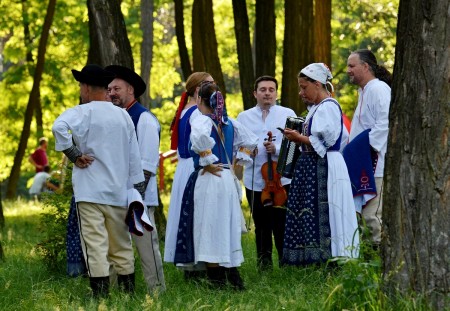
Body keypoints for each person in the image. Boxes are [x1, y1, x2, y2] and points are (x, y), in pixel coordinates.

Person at [52, 64, 145, 297]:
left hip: (89, 191)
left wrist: (74, 155)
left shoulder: (81, 112)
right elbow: (134, 156)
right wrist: (137, 190)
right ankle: (128, 295)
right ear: (104, 88)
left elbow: (58, 127)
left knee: (94, 245)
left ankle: (101, 297)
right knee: (121, 245)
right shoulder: (123, 116)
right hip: (118, 191)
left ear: (85, 87)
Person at [173, 82, 258, 290]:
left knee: (210, 227)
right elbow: (251, 141)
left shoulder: (202, 121)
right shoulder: (230, 123)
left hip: (210, 180)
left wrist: (207, 160)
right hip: (228, 179)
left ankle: (216, 280)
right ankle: (233, 278)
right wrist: (237, 162)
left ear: (200, 100)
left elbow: (200, 139)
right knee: (225, 226)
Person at [281, 63, 359, 266]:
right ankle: (313, 257)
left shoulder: (329, 107)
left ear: (317, 84)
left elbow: (327, 142)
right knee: (310, 208)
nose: (301, 92)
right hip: (314, 163)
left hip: (327, 164)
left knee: (328, 208)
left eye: (304, 87)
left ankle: (334, 256)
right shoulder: (317, 108)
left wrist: (300, 138)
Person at [106, 64, 166, 293]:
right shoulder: (118, 118)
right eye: (109, 89)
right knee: (116, 249)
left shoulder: (144, 119)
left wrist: (135, 201)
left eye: (116, 89)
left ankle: (157, 293)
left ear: (130, 90)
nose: (111, 93)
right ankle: (113, 294)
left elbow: (147, 165)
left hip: (139, 199)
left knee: (147, 249)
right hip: (118, 197)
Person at [236, 76, 296, 270]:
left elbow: (295, 144)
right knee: (261, 225)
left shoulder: (288, 114)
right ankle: (264, 266)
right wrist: (248, 151)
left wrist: (276, 149)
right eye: (263, 90)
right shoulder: (243, 117)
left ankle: (286, 264)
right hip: (254, 180)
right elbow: (237, 147)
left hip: (281, 181)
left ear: (276, 93)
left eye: (271, 89)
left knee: (282, 224)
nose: (267, 93)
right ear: (255, 93)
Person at [164, 72, 214, 271]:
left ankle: (192, 261)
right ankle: (197, 262)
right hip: (194, 164)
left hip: (184, 165)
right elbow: (198, 141)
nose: (214, 88)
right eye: (210, 84)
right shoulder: (197, 113)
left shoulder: (185, 109)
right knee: (196, 212)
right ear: (198, 90)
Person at [346, 49, 392, 247]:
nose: (348, 70)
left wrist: (365, 149)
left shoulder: (378, 89)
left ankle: (380, 268)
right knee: (364, 218)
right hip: (363, 163)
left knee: (372, 217)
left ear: (366, 67)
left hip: (375, 164)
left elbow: (385, 122)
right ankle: (368, 268)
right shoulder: (364, 91)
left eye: (351, 65)